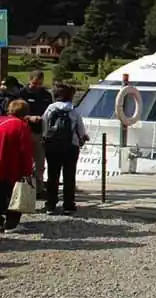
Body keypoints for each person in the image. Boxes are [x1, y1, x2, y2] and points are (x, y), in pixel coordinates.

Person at [42, 84, 89, 215]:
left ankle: (51, 204)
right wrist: (83, 138)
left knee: (52, 175)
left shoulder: (50, 109)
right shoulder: (73, 110)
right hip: (71, 146)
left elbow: (44, 126)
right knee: (69, 176)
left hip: (52, 146)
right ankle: (68, 205)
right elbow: (81, 130)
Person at [0, 100, 34, 232]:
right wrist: (28, 171)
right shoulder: (21, 126)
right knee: (14, 196)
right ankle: (11, 224)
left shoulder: (2, 120)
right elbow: (25, 150)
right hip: (11, 167)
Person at [19, 70, 53, 197]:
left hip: (40, 133)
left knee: (39, 163)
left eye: (40, 84)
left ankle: (39, 189)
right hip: (25, 132)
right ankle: (23, 188)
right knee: (24, 162)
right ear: (30, 81)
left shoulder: (46, 95)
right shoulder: (22, 94)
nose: (37, 87)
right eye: (34, 84)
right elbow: (15, 113)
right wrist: (29, 118)